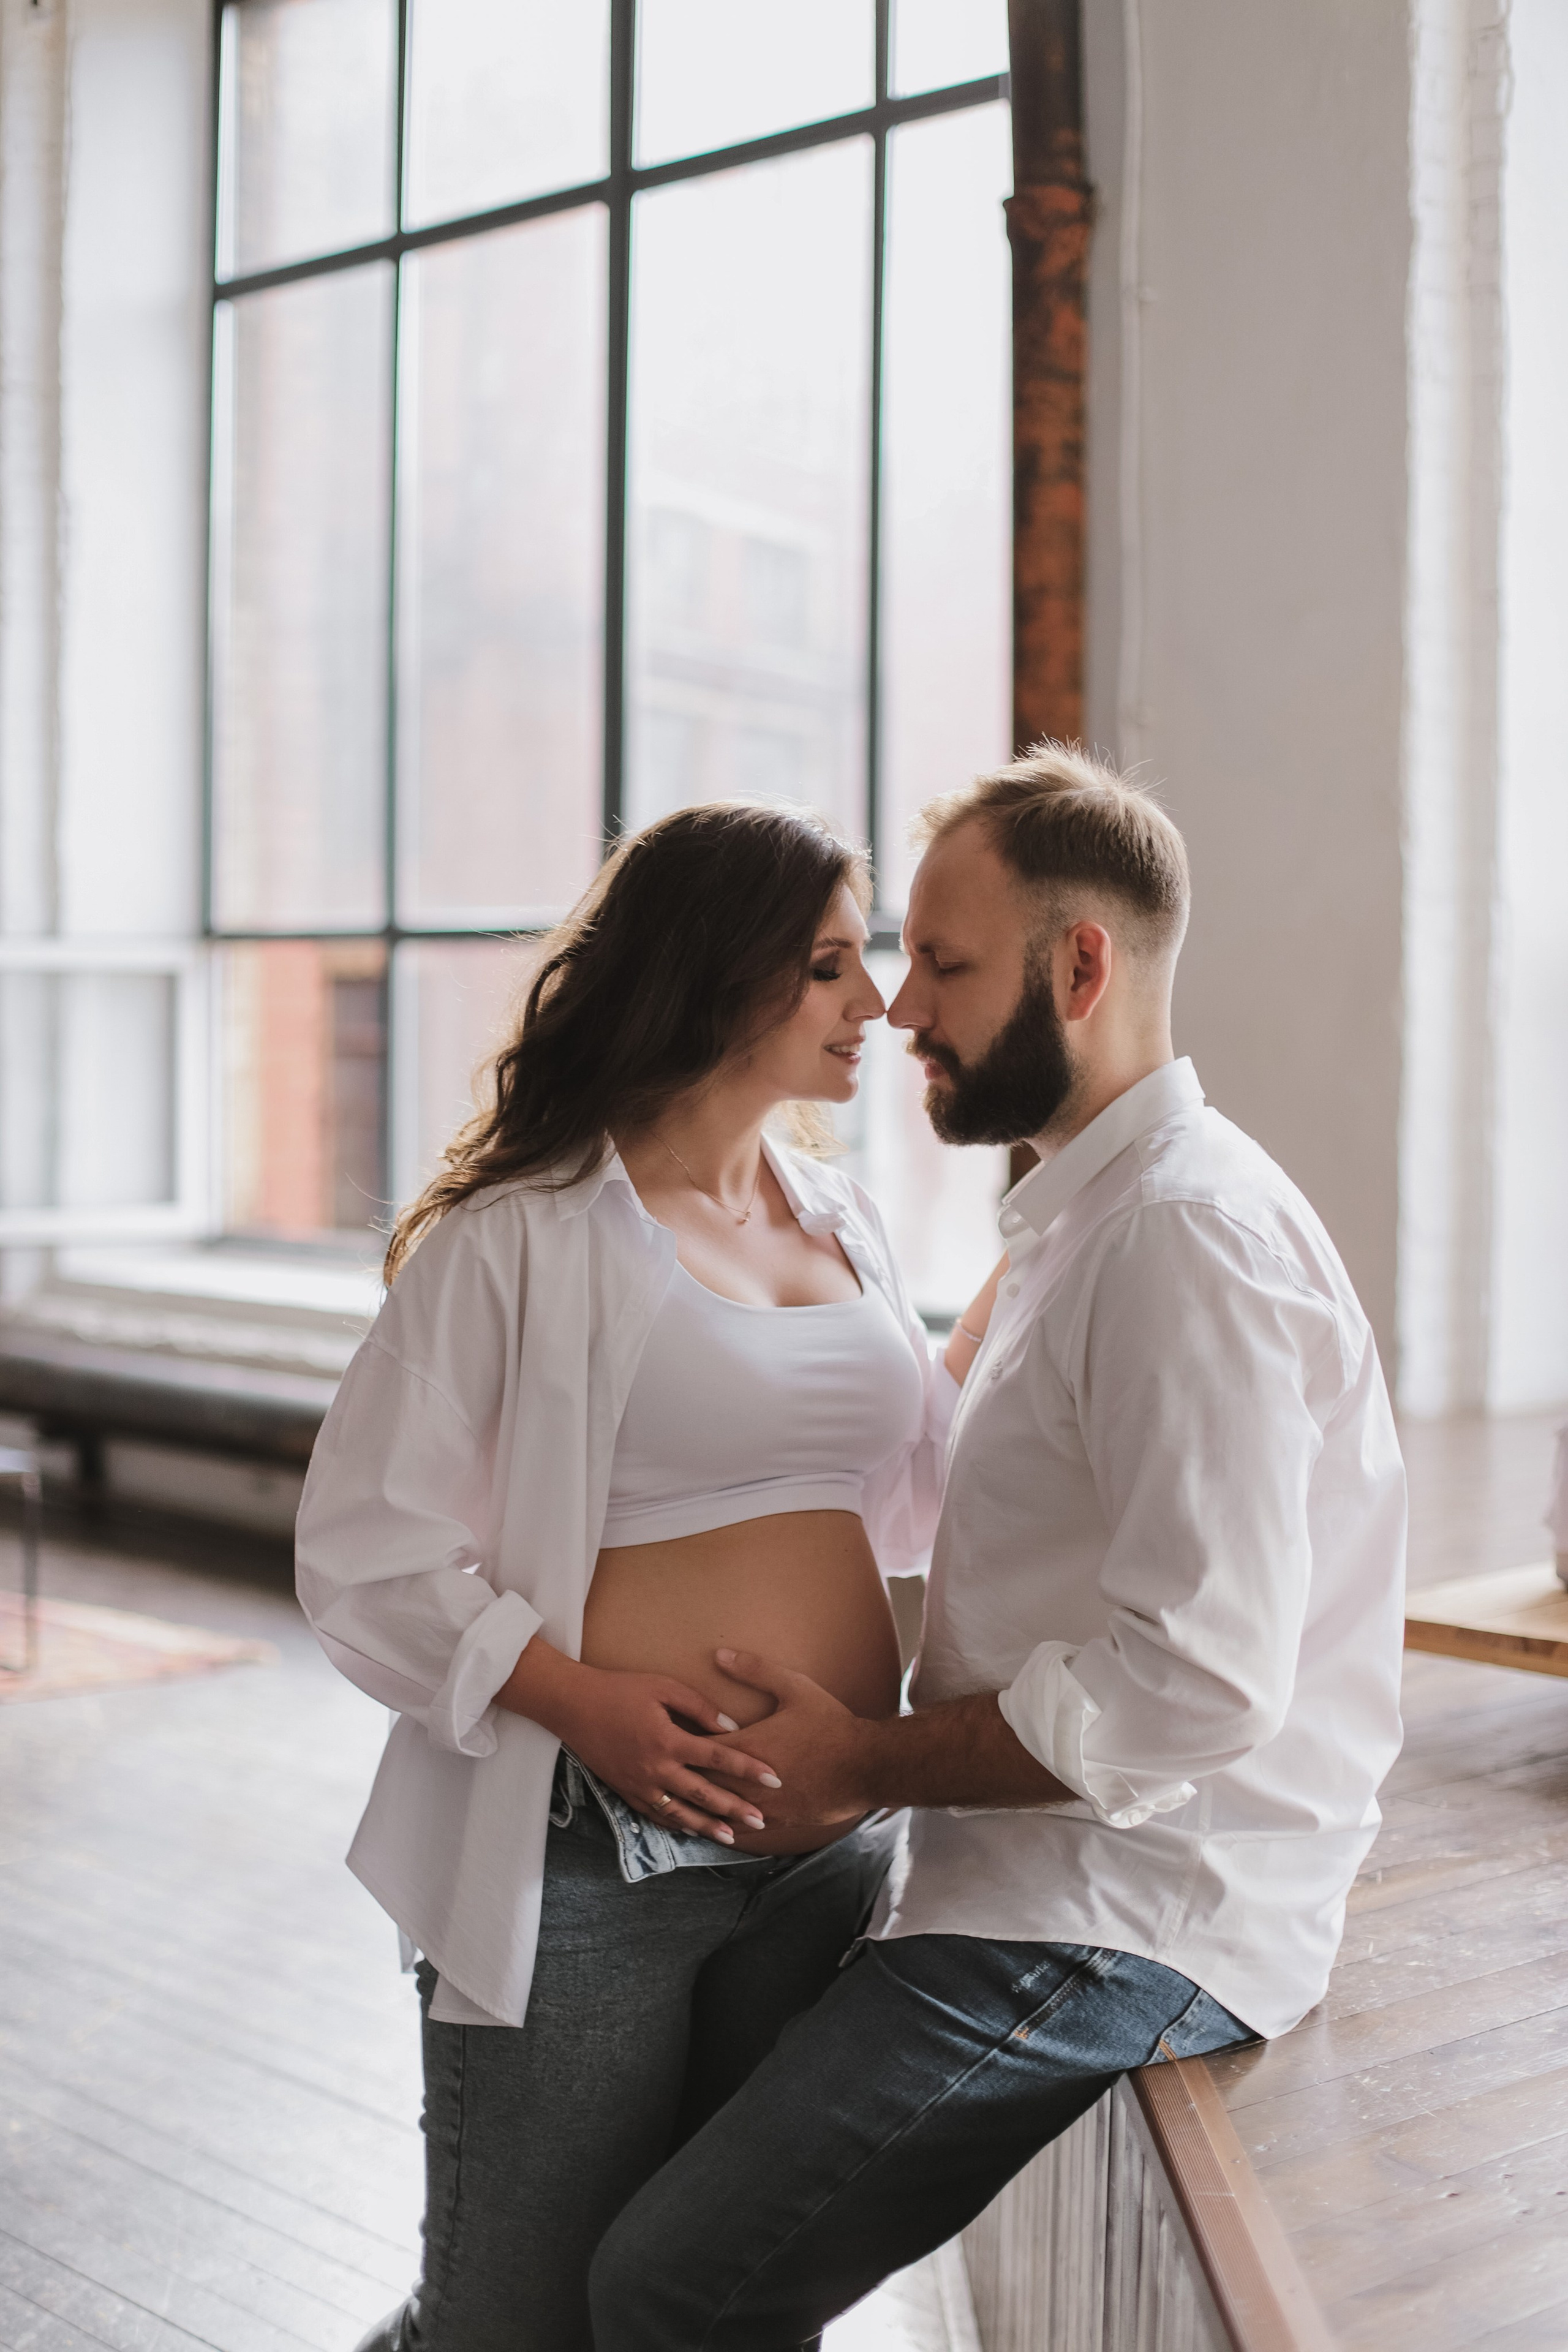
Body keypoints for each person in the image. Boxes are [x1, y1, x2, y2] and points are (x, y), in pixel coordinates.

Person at [587, 745, 1408, 2351]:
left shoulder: (1181, 1240)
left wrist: (864, 1762)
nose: (898, 1010)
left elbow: (1201, 1682)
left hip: (1129, 1911)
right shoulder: (1084, 1219)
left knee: (667, 2281)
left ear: (1081, 964)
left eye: (945, 964)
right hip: (1038, 1874)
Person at [295, 801, 990, 2352]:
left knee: (718, 2308)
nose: (872, 1005)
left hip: (820, 1856)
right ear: (715, 972)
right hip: (589, 1852)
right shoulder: (518, 1238)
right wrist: (584, 1703)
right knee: (513, 2319)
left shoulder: (845, 1223)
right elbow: (361, 1544)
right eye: (826, 967)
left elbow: (919, 1488)